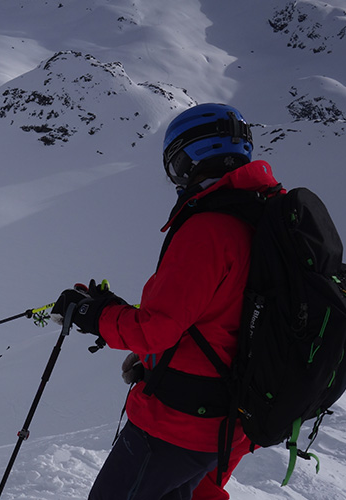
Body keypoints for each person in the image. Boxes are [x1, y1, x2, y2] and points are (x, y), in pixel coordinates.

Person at [51, 103, 281, 499]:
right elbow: (224, 319)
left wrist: (93, 314)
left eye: (176, 165)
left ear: (191, 158)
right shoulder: (265, 214)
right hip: (232, 418)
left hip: (179, 425)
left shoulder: (210, 229)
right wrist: (152, 358)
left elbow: (156, 329)